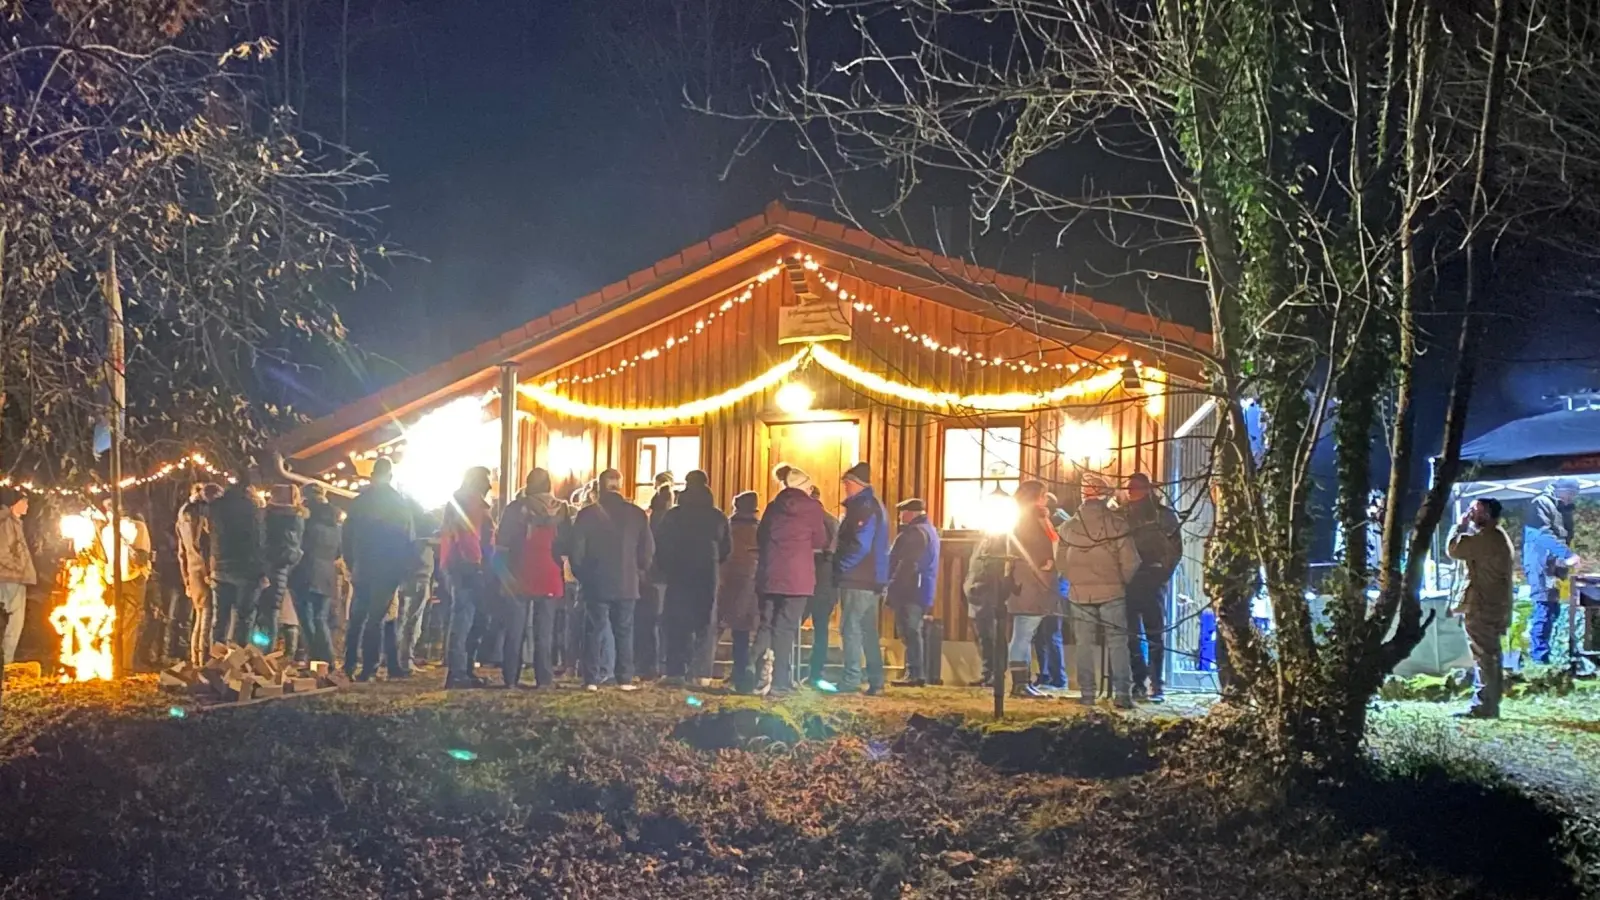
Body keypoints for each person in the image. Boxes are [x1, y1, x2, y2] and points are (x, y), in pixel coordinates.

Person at [1060, 474, 1141, 709]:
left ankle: (1087, 694)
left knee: (1083, 643)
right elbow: (1131, 561)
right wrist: (1120, 581)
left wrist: (1073, 578)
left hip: (1078, 593)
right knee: (1118, 643)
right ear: (1104, 496)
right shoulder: (1117, 524)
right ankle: (1122, 695)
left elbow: (1060, 561)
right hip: (1112, 591)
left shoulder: (1068, 527)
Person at [570, 468, 654, 691]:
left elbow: (576, 551)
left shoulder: (586, 515)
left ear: (599, 486)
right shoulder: (636, 514)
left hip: (596, 581)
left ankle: (591, 679)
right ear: (620, 485)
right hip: (627, 580)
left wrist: (583, 575)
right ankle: (625, 678)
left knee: (595, 629)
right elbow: (647, 550)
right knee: (624, 629)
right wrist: (639, 571)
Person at [753, 464, 829, 697]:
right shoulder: (813, 508)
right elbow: (820, 540)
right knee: (786, 628)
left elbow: (761, 535)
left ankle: (749, 675)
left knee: (766, 624)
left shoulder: (773, 507)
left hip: (771, 575)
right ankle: (779, 683)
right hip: (798, 578)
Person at [495, 467, 572, 689]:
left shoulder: (515, 509)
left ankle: (511, 678)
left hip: (518, 572)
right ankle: (544, 679)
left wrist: (502, 574)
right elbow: (567, 543)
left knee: (515, 629)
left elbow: (501, 542)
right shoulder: (562, 510)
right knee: (544, 631)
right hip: (550, 572)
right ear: (549, 485)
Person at [341, 457, 415, 681]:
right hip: (387, 568)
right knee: (378, 618)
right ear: (390, 476)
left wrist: (351, 562)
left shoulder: (360, 502)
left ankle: (350, 663)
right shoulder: (399, 503)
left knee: (358, 617)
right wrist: (403, 570)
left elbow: (346, 535)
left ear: (373, 475)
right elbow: (407, 539)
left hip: (363, 565)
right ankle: (370, 667)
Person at [654, 470, 731, 685]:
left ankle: (676, 671)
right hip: (707, 574)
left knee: (677, 622)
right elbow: (726, 548)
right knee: (705, 623)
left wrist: (667, 567)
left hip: (679, 573)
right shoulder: (717, 516)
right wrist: (713, 563)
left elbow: (661, 544)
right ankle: (701, 673)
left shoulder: (674, 515)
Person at [1446, 498, 1516, 719]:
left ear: (1485, 514)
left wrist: (1459, 525)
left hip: (1483, 606)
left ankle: (1484, 705)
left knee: (1483, 656)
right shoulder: (1498, 536)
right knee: (1491, 654)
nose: (1470, 513)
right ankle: (1490, 702)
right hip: (1494, 604)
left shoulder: (1486, 538)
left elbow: (1453, 549)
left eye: (1474, 510)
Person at [1122, 472, 1182, 702]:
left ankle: (1155, 683)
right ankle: (1139, 681)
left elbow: (1174, 548)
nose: (1131, 492)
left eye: (1135, 488)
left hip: (1152, 580)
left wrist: (1161, 575)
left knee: (1154, 633)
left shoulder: (1163, 516)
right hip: (1128, 581)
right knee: (1131, 635)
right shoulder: (1122, 515)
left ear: (1147, 489)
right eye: (1129, 488)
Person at [834, 461, 890, 695]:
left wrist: (840, 566)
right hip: (871, 578)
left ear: (856, 483)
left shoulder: (863, 508)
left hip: (858, 578)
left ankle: (851, 679)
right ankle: (876, 679)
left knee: (851, 628)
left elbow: (860, 544)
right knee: (867, 630)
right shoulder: (873, 506)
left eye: (847, 483)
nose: (844, 487)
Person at [440, 466, 495, 689]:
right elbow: (470, 536)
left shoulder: (459, 500)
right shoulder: (471, 501)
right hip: (468, 567)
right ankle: (460, 672)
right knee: (466, 619)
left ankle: (462, 670)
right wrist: (477, 564)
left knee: (468, 618)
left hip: (456, 565)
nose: (490, 485)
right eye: (487, 481)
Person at [1007, 481, 1060, 698]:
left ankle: (1023, 682)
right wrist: (1046, 561)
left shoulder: (1026, 516)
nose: (1046, 499)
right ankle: (1020, 683)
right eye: (1044, 495)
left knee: (1024, 633)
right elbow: (1036, 545)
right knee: (1023, 632)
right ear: (1036, 497)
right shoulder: (1029, 519)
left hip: (1030, 582)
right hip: (1030, 582)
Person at [1524, 477, 1580, 664]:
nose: (1572, 498)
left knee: (1553, 610)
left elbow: (1564, 535)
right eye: (1570, 493)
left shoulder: (1564, 509)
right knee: (1544, 608)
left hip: (1555, 567)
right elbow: (1541, 533)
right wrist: (1566, 554)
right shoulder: (1541, 503)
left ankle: (1548, 655)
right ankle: (1538, 659)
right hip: (1540, 566)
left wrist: (1563, 559)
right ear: (1560, 490)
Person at [888, 498, 940, 688]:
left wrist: (893, 586)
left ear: (912, 513)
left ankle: (915, 672)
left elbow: (907, 564)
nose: (900, 517)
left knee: (910, 630)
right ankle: (915, 671)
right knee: (912, 630)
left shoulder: (915, 533)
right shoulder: (928, 530)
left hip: (911, 589)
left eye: (903, 512)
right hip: (921, 588)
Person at [209, 474, 264, 648]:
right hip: (245, 568)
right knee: (244, 616)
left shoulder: (215, 507)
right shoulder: (251, 508)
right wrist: (261, 570)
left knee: (220, 617)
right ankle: (238, 658)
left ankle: (214, 658)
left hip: (220, 566)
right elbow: (257, 539)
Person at [100, 500, 155, 672]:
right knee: (131, 623)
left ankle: (110, 660)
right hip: (133, 578)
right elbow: (143, 555)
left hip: (112, 579)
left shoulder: (106, 530)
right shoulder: (138, 527)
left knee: (113, 620)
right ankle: (125, 664)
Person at [386, 497, 438, 677]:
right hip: (419, 577)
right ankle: (405, 660)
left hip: (409, 577)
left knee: (403, 618)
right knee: (412, 620)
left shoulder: (399, 528)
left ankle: (399, 659)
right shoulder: (420, 533)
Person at [291, 484, 342, 665]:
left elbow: (296, 545)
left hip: (304, 573)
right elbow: (338, 553)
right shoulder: (335, 524)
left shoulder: (304, 521)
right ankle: (327, 660)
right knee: (320, 619)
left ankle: (318, 659)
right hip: (327, 575)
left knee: (306, 620)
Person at [718, 491, 762, 692]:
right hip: (752, 584)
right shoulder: (760, 530)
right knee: (745, 631)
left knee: (726, 630)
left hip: (727, 581)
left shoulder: (728, 527)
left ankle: (704, 672)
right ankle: (746, 673)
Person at [176, 483, 222, 665]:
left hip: (192, 570)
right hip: (204, 570)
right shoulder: (200, 515)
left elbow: (181, 552)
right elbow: (204, 545)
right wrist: (210, 571)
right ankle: (203, 661)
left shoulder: (182, 517)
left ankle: (196, 658)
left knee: (200, 615)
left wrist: (186, 579)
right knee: (207, 617)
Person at [639, 471, 675, 681]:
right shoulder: (674, 520)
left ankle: (651, 665)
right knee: (664, 623)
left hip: (653, 577)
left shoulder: (653, 522)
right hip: (668, 578)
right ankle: (663, 663)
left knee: (651, 622)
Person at [261, 485, 305, 653]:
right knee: (277, 611)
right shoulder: (297, 518)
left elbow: (260, 540)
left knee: (264, 613)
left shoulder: (268, 517)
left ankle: (262, 653)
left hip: (265, 566)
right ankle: (281, 653)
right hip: (285, 568)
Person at [804, 484, 840, 686]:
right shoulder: (833, 522)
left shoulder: (803, 522)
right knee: (821, 630)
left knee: (789, 627)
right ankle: (815, 673)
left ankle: (783, 670)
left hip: (806, 579)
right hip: (826, 582)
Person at [962, 530, 1008, 688]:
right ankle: (987, 673)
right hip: (976, 596)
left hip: (990, 596)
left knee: (994, 637)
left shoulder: (1002, 542)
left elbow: (996, 570)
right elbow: (973, 568)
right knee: (983, 638)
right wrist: (968, 585)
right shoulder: (981, 542)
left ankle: (997, 674)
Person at [1031, 493, 1067, 690]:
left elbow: (1058, 556)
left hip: (1054, 585)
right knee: (1041, 633)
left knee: (1051, 632)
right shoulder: (1051, 524)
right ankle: (1046, 674)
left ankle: (1057, 677)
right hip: (1048, 584)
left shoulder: (1057, 526)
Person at [0, 487, 36, 666]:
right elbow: (2, 552)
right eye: (25, 502)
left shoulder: (13, 522)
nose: (28, 506)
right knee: (14, 621)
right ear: (17, 503)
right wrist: (19, 569)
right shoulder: (7, 523)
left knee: (9, 621)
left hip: (9, 577)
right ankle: (6, 662)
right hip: (11, 579)